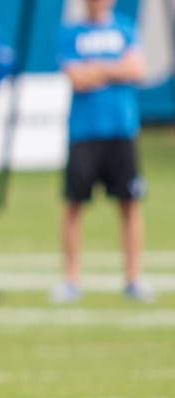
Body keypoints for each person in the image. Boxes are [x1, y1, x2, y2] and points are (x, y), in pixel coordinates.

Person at [54, 0, 153, 303]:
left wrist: (97, 69)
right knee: (74, 205)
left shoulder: (124, 28)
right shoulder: (71, 32)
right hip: (83, 132)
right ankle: (71, 279)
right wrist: (114, 69)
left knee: (129, 203)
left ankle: (133, 278)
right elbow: (76, 78)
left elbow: (137, 69)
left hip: (121, 129)